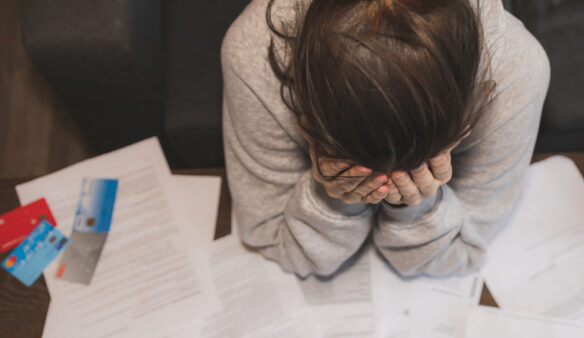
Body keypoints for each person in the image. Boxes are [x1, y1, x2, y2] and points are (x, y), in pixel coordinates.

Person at [222, 0, 549, 277]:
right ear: (305, 115)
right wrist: (331, 198)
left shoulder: (517, 73)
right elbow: (271, 237)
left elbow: (461, 252)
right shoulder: (252, 53)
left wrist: (416, 206)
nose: (386, 183)